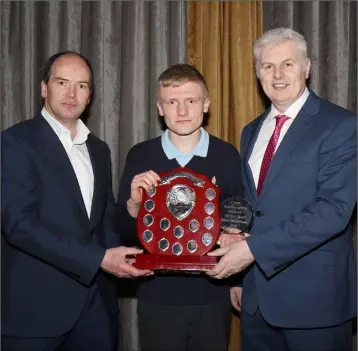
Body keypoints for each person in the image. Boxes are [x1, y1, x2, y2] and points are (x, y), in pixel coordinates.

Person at [207, 28, 357, 351]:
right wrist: (239, 275)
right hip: (256, 300)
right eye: (267, 66)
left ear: (307, 68)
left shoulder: (341, 125)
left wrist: (250, 251)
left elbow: (332, 212)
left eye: (287, 64)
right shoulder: (251, 131)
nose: (277, 75)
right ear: (257, 72)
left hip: (315, 303)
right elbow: (251, 208)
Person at [1, 51, 152, 351]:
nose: (72, 93)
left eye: (81, 85)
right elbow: (19, 224)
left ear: (90, 95)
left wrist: (133, 210)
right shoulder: (14, 142)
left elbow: (105, 220)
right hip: (35, 311)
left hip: (96, 308)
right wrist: (98, 258)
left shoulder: (99, 149)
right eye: (62, 82)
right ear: (44, 88)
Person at [116, 63, 244, 351]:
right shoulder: (141, 155)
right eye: (172, 102)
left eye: (191, 100)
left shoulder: (226, 155)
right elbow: (123, 230)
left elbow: (238, 220)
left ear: (206, 104)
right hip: (157, 295)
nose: (182, 111)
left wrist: (239, 280)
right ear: (160, 108)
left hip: (213, 293)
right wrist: (135, 204)